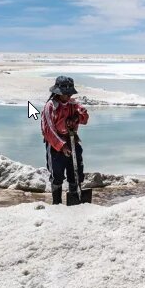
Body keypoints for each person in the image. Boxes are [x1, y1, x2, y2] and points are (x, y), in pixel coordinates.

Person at [41, 76, 89, 205]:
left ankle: (75, 200)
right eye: (65, 94)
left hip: (72, 140)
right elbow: (48, 130)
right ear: (57, 92)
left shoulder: (74, 105)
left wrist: (80, 115)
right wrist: (62, 146)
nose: (68, 96)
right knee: (57, 175)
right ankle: (57, 203)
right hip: (56, 145)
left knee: (76, 171)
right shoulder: (50, 107)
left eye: (69, 94)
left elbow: (84, 120)